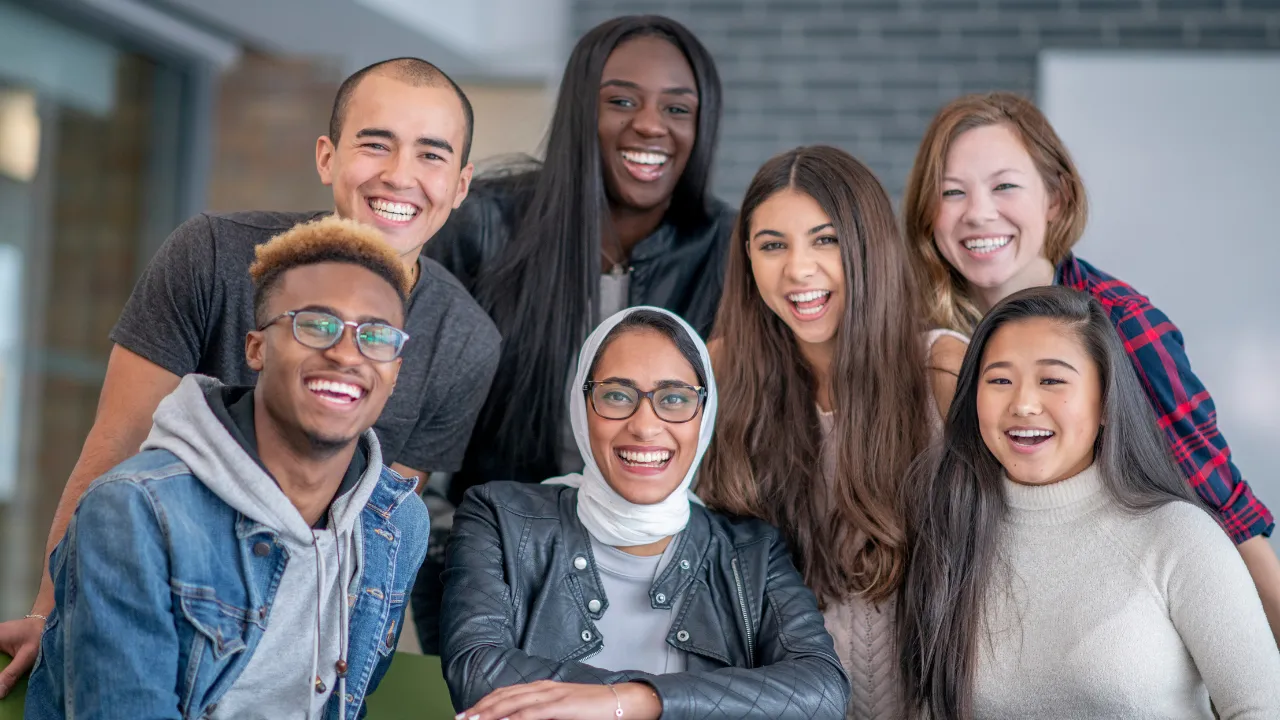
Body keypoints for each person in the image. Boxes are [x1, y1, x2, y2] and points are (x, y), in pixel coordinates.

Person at [0, 57, 501, 696]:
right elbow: (116, 445)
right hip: (155, 598)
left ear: (460, 185)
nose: (400, 175)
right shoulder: (210, 255)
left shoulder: (466, 341)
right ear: (327, 158)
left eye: (431, 155)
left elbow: (370, 527)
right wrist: (51, 611)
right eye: (376, 144)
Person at [901, 91, 1280, 642]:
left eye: (1004, 186)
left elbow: (1225, 512)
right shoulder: (916, 335)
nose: (978, 213)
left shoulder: (1122, 324)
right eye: (951, 192)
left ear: (1055, 198)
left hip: (1118, 631)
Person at [25, 217, 431, 719]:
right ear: (256, 349)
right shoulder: (134, 512)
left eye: (377, 335)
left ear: (395, 373)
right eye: (315, 325)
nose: (347, 355)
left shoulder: (394, 524)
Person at [415, 14, 733, 654]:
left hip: (662, 582)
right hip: (491, 568)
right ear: (579, 110)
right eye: (621, 101)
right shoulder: (483, 225)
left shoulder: (731, 248)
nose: (651, 125)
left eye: (678, 108)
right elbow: (417, 410)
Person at [438, 307, 849, 720]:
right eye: (617, 396)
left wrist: (634, 699)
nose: (645, 426)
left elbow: (822, 691)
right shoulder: (499, 518)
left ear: (704, 415)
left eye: (675, 399)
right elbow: (477, 670)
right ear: (582, 405)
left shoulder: (752, 551)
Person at [898, 285, 1280, 719]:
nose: (1023, 404)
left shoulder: (1179, 537)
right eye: (1000, 381)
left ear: (1105, 403)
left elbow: (1263, 708)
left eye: (1052, 380)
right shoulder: (950, 537)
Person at [697, 146, 934, 719]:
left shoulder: (940, 372)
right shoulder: (716, 372)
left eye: (824, 240)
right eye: (772, 245)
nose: (798, 269)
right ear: (747, 256)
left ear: (869, 245)